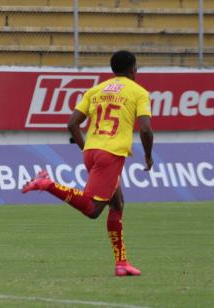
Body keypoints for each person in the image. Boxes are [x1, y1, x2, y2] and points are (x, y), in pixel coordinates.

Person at [22, 50, 154, 277]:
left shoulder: (96, 90)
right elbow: (145, 129)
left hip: (91, 151)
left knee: (117, 203)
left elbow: (72, 124)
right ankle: (47, 184)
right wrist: (148, 156)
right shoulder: (139, 92)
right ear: (133, 69)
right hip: (111, 154)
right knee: (93, 210)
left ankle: (121, 263)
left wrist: (87, 149)